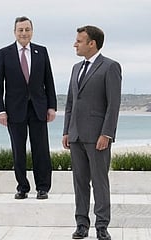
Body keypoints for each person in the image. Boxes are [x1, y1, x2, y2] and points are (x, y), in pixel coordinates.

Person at [62, 25, 121, 240]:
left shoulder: (110, 67)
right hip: (76, 135)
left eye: (79, 41)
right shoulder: (76, 68)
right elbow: (70, 102)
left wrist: (107, 134)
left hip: (98, 137)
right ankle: (81, 224)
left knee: (99, 181)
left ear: (92, 43)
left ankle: (102, 225)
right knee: (79, 182)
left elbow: (113, 105)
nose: (75, 44)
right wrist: (67, 131)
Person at [0, 16, 57, 200]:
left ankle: (43, 187)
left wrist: (52, 106)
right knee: (18, 150)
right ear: (15, 32)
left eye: (27, 29)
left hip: (38, 108)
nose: (24, 33)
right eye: (20, 30)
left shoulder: (41, 52)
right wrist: (0, 110)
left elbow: (49, 81)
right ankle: (22, 186)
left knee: (41, 149)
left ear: (32, 31)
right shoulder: (4, 53)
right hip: (14, 110)